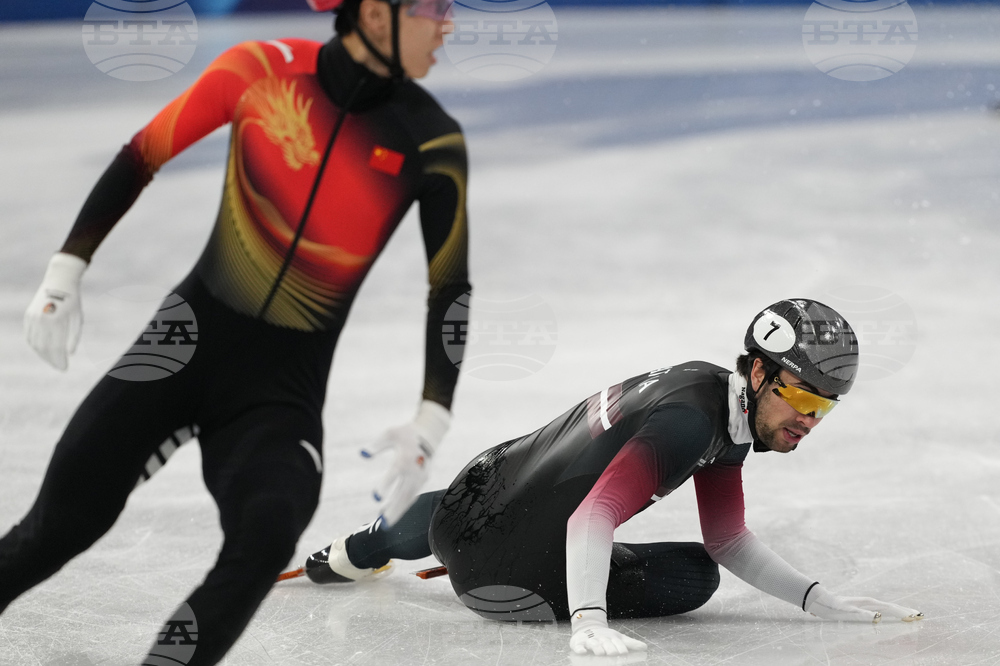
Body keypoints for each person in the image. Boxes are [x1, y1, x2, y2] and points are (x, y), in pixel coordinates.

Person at [3, 0, 468, 663]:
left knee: (267, 535)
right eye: (432, 6)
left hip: (280, 397)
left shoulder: (433, 139)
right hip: (179, 350)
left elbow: (449, 287)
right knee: (52, 533)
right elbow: (143, 152)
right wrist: (63, 272)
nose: (448, 23)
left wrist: (431, 418)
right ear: (374, 13)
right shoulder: (258, 70)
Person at [297, 299, 923, 657]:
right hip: (509, 584)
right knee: (694, 577)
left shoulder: (713, 394)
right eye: (804, 401)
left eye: (826, 408)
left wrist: (821, 601)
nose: (810, 421)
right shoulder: (688, 425)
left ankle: (353, 552)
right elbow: (592, 516)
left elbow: (727, 534)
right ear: (759, 374)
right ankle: (434, 556)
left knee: (477, 506)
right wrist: (589, 620)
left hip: (467, 497)